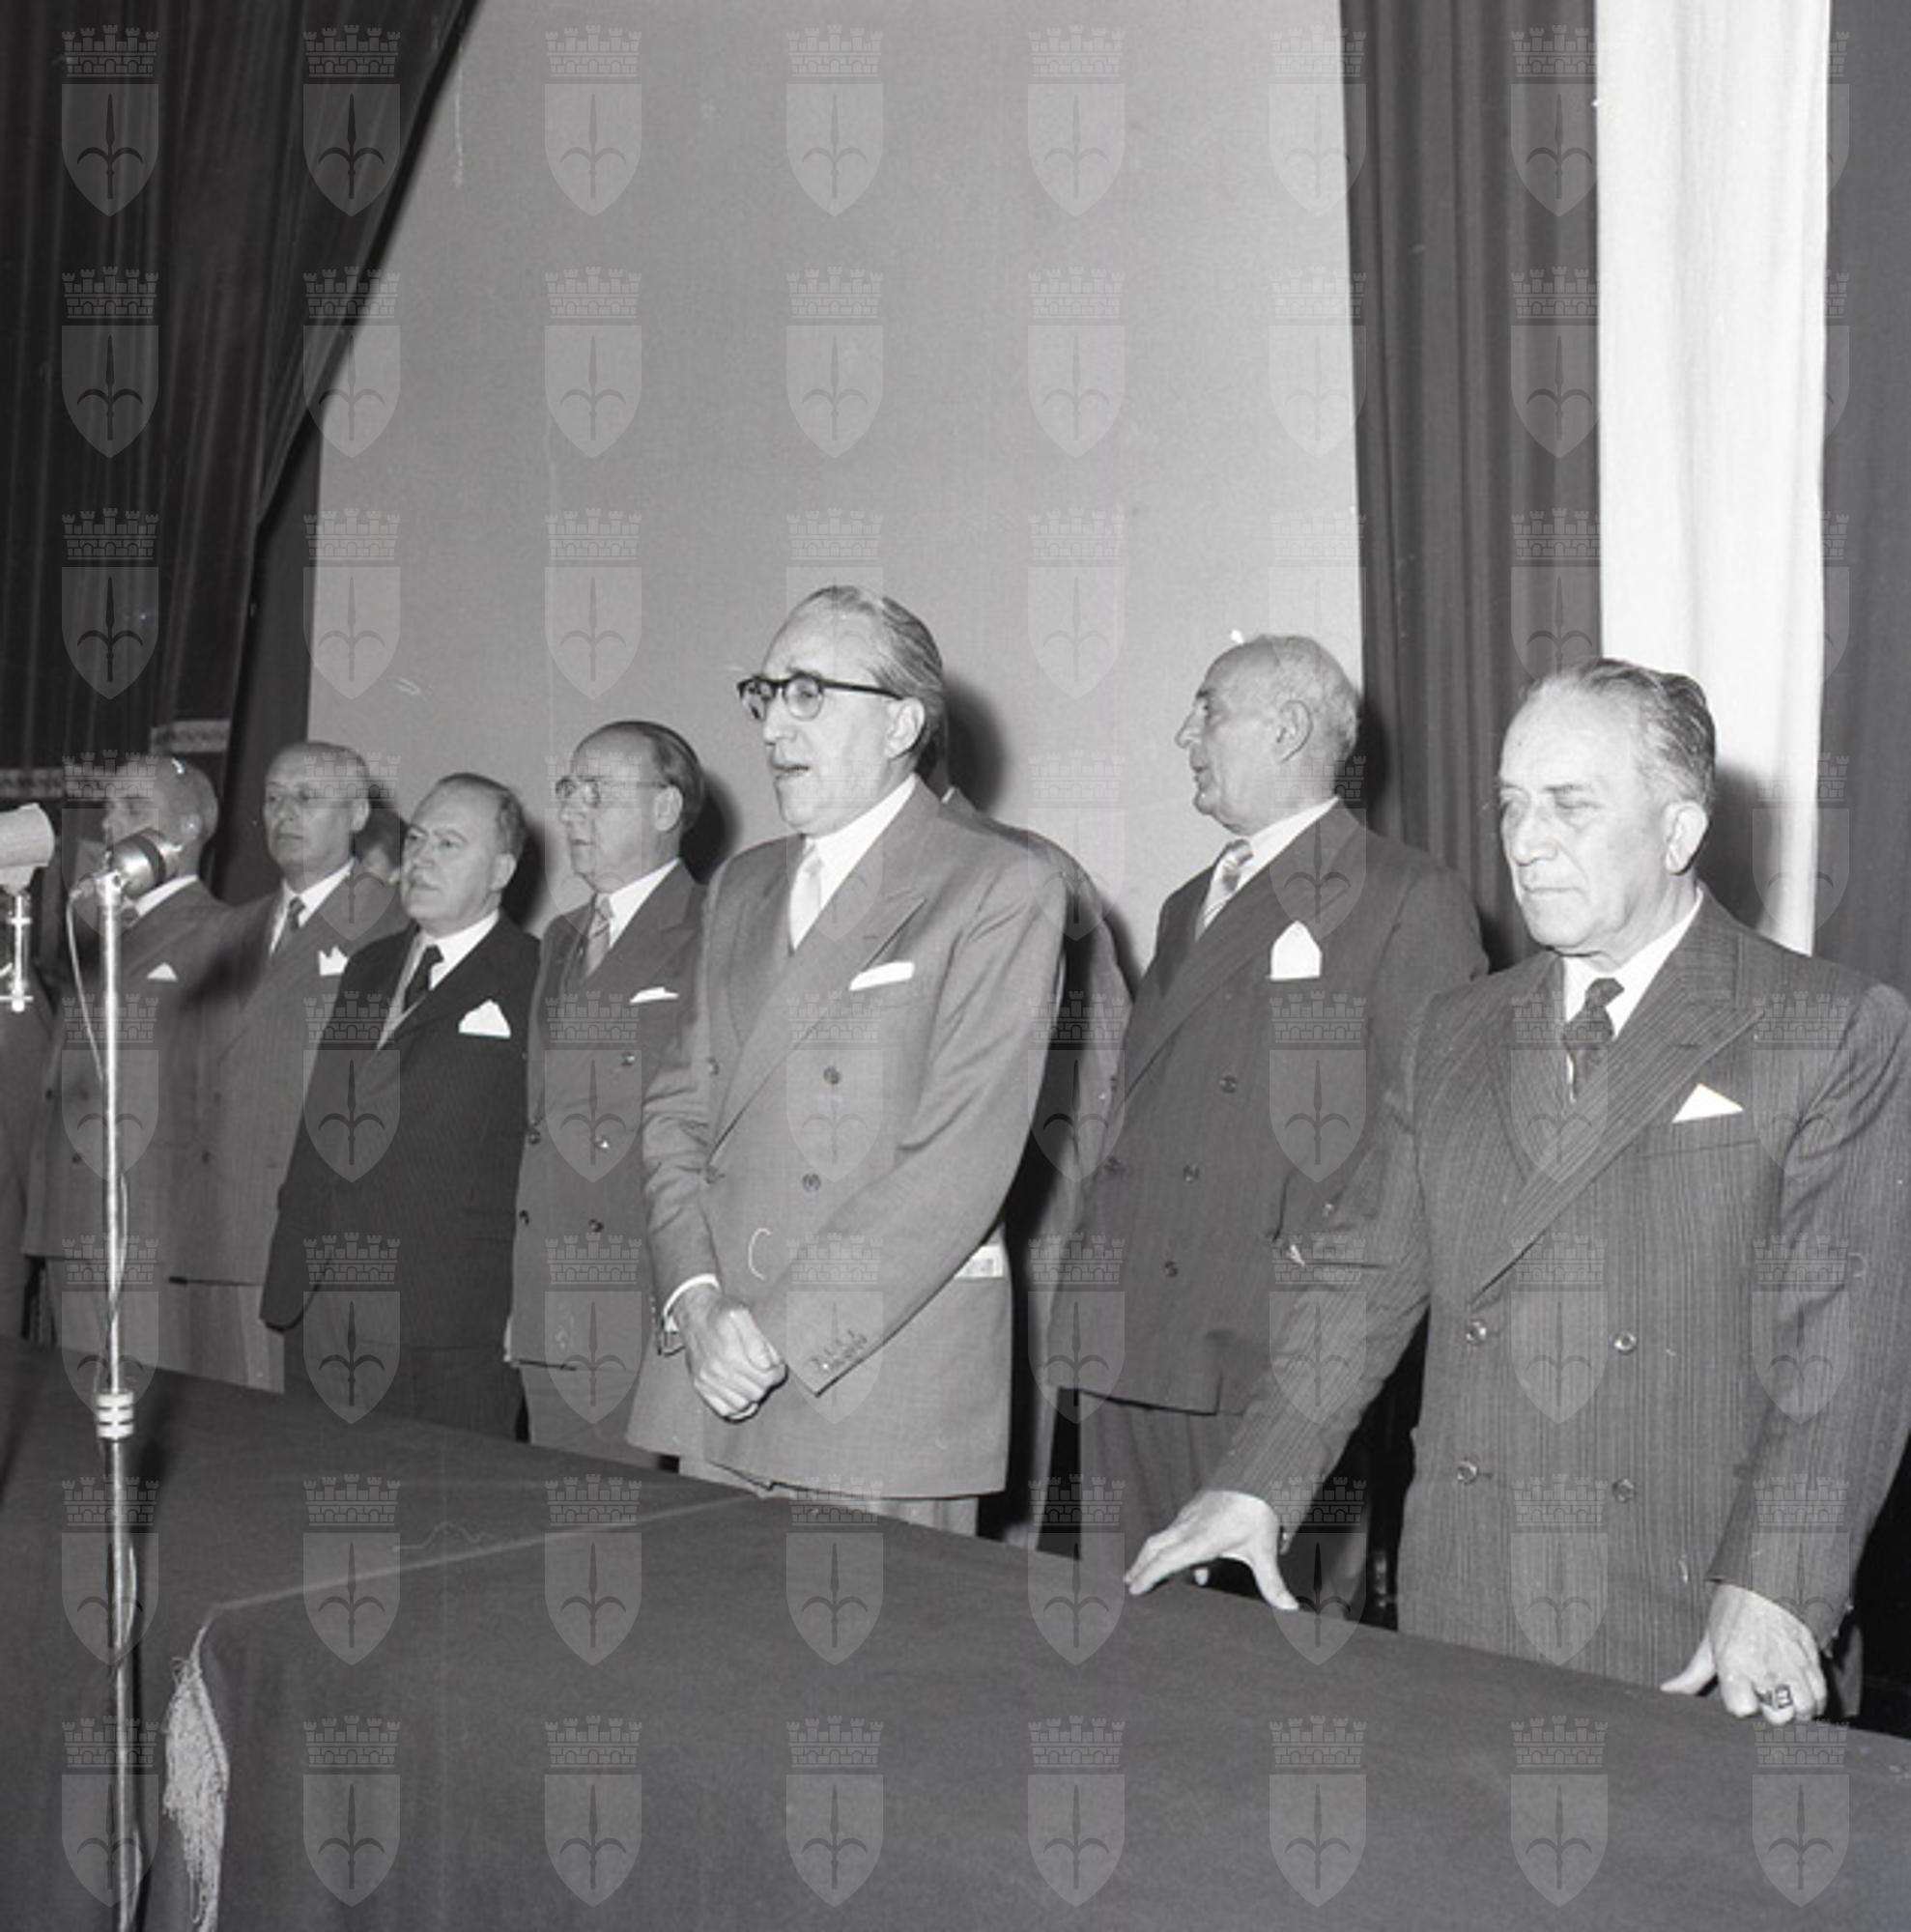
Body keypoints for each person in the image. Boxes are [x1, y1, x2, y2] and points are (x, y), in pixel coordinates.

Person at [1130, 662, 1911, 1724]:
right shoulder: (1453, 1030)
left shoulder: (1828, 1028)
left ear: (1679, 830)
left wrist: (1777, 1585)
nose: (1524, 840)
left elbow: (1845, 1353)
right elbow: (1360, 1284)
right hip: (1467, 1595)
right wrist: (1256, 1478)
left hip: (1695, 1610)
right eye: (1509, 804)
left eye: (1569, 805)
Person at [629, 586, 1068, 1527]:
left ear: (902, 722)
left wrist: (775, 1335)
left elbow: (956, 1165)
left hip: (874, 1386)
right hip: (715, 1374)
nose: (772, 726)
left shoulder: (999, 882)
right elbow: (676, 1116)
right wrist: (696, 1303)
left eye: (808, 693)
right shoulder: (741, 885)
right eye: (764, 694)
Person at [1073, 635, 1483, 1568]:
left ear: (1289, 726)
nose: (1185, 735)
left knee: (1261, 1644)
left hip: (1268, 1359)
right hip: (1128, 1334)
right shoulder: (1189, 902)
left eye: (1209, 709)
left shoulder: (1407, 896)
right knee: (1122, 1620)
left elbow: (1425, 1151)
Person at [262, 774, 537, 1435]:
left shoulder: (534, 977)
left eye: (449, 844)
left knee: (442, 1499)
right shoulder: (369, 967)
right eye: (415, 839)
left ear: (502, 870)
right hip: (320, 1302)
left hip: (448, 1325)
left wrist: (531, 1301)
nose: (420, 859)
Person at [923, 728, 1131, 1544]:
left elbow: (1101, 1077)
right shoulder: (810, 883)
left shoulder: (1028, 870)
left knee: (988, 1532)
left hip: (1004, 1237)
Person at [177, 743, 405, 1388]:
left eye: (307, 798)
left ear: (357, 814)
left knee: (278, 1431)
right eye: (274, 798)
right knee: (211, 1424)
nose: (284, 814)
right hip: (210, 1229)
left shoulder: (394, 926)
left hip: (305, 1235)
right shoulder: (228, 930)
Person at [510, 722, 704, 1456]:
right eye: (569, 790)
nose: (571, 811)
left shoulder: (715, 929)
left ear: (665, 807)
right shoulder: (561, 937)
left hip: (641, 1301)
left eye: (598, 792)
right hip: (548, 1299)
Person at [24, 754, 229, 1371]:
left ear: (187, 828)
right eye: (109, 810)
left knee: (136, 1398)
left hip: (147, 1222)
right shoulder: (97, 933)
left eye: (134, 809)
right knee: (83, 1403)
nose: (112, 825)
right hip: (71, 1213)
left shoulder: (219, 937)